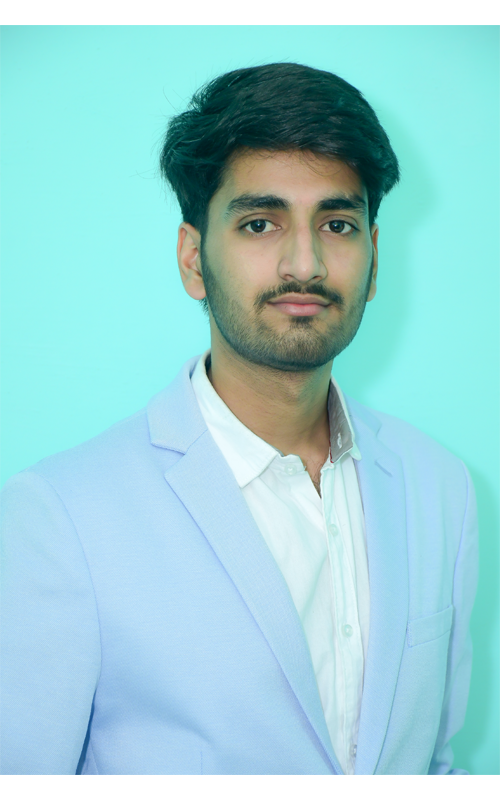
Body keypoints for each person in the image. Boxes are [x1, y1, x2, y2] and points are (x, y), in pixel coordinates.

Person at [0, 62, 478, 776]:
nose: (304, 263)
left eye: (337, 224)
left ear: (374, 259)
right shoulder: (61, 517)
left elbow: (433, 767)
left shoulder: (441, 488)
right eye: (260, 223)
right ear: (194, 260)